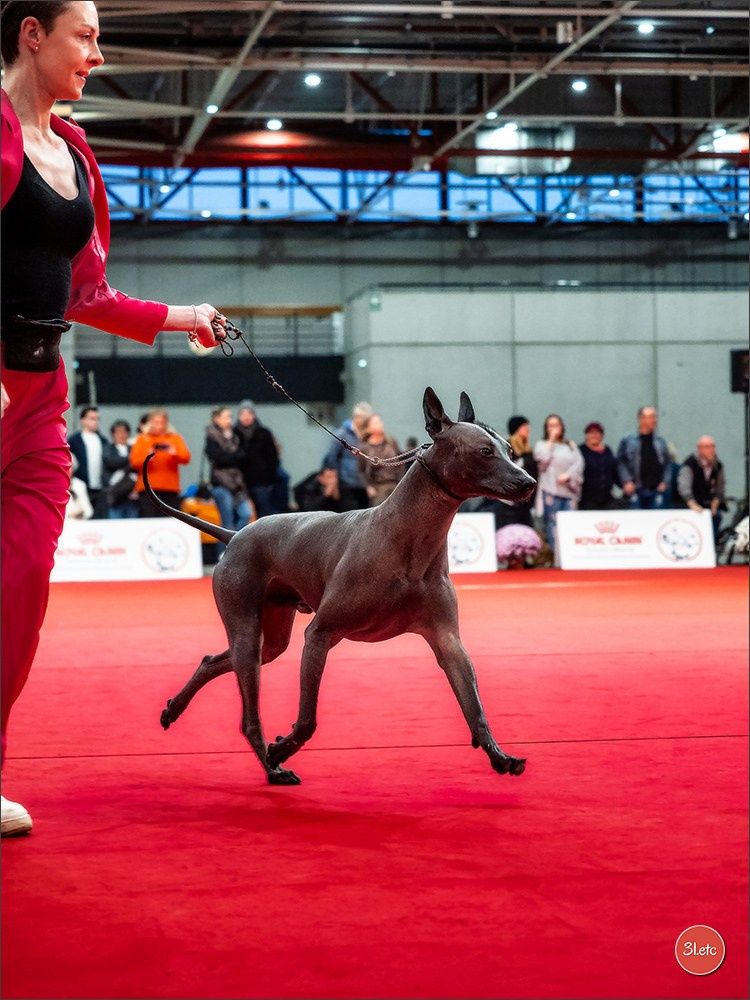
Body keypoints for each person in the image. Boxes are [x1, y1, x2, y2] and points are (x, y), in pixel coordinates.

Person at [0, 0, 225, 836]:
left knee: (17, 592)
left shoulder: (77, 151)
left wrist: (187, 316)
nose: (99, 51)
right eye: (85, 34)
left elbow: (89, 293)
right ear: (32, 33)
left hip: (36, 405)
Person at [533, 414, 584, 557]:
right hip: (551, 491)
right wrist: (551, 442)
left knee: (570, 524)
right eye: (551, 425)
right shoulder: (542, 445)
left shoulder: (570, 445)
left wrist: (568, 475)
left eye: (557, 425)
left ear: (562, 427)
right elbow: (542, 462)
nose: (554, 428)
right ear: (546, 428)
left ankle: (571, 555)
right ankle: (557, 557)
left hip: (569, 491)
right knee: (552, 524)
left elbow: (579, 463)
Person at [204, 406, 253, 546]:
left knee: (246, 514)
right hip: (220, 484)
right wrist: (234, 457)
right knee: (227, 521)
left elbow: (244, 456)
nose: (229, 420)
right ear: (216, 418)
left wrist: (230, 457)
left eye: (230, 416)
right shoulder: (211, 436)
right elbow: (218, 458)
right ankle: (225, 554)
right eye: (225, 417)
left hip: (238, 484)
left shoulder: (237, 434)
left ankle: (237, 545)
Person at [129, 408, 191, 517]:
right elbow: (134, 462)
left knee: (171, 520)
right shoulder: (142, 439)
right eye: (156, 422)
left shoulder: (175, 438)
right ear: (151, 422)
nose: (159, 426)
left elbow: (186, 458)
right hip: (147, 488)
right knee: (150, 520)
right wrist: (147, 457)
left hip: (170, 488)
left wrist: (175, 454)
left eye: (162, 423)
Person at [616, 406, 671, 510]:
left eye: (654, 417)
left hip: (657, 490)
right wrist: (626, 481)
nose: (653, 420)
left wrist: (665, 482)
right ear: (640, 419)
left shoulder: (660, 441)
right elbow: (620, 462)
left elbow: (668, 464)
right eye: (650, 417)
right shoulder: (628, 440)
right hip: (635, 490)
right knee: (636, 523)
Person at [322, 401, 373, 511]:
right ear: (357, 417)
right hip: (346, 482)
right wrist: (334, 479)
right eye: (364, 419)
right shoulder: (342, 434)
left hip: (363, 482)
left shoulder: (368, 434)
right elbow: (332, 457)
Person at [677, 436, 727, 545]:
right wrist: (692, 504)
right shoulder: (689, 465)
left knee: (717, 516)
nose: (712, 450)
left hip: (708, 503)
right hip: (691, 504)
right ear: (700, 449)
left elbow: (720, 487)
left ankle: (712, 546)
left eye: (713, 447)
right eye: (707, 447)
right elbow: (683, 487)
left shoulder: (717, 466)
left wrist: (715, 503)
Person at [234, 400, 279, 519]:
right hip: (239, 482)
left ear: (253, 414)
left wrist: (270, 479)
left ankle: (266, 537)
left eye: (248, 414)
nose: (245, 417)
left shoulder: (264, 433)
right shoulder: (233, 434)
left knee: (264, 514)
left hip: (261, 481)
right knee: (242, 514)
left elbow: (273, 457)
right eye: (242, 414)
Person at [67, 405, 108, 517]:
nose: (95, 422)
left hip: (100, 489)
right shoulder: (74, 441)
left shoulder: (103, 441)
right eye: (92, 418)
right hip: (81, 487)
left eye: (97, 419)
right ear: (83, 420)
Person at [358, 414, 404, 506]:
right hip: (378, 488)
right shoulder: (364, 448)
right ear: (368, 428)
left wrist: (402, 482)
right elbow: (361, 470)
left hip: (395, 485)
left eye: (380, 422)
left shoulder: (391, 442)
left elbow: (401, 462)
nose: (380, 424)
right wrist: (368, 487)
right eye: (375, 422)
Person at [505, 415, 538, 527]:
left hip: (526, 501)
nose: (528, 429)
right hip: (509, 502)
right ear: (517, 429)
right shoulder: (506, 447)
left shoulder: (528, 450)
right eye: (525, 426)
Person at [579, 421, 619, 510]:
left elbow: (614, 471)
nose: (594, 435)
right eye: (591, 432)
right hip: (587, 499)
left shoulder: (607, 450)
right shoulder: (580, 451)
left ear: (602, 435)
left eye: (597, 432)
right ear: (586, 435)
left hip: (607, 498)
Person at [103, 419, 138, 518]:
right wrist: (130, 461)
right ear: (113, 434)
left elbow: (139, 466)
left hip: (131, 495)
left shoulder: (133, 448)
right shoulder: (108, 449)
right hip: (115, 495)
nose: (121, 435)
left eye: (124, 432)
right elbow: (110, 461)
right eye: (118, 432)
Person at [65, 454, 93, 520]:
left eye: (69, 468)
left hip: (79, 523)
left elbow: (88, 511)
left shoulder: (80, 485)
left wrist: (80, 512)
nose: (67, 471)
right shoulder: (53, 487)